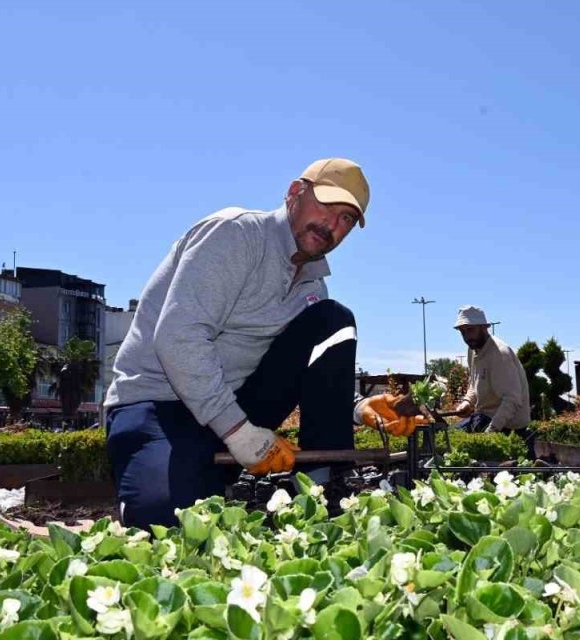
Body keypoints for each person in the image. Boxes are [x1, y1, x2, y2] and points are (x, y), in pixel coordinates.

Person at [104, 158, 416, 528]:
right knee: (170, 523)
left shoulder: (313, 288)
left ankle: (322, 489)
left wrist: (359, 407)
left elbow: (299, 367)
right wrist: (239, 432)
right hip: (158, 406)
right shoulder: (235, 235)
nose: (332, 224)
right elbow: (178, 337)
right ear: (294, 193)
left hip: (229, 409)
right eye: (327, 205)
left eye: (347, 218)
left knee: (333, 320)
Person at [447, 306, 533, 457]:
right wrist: (467, 403)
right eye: (462, 332)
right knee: (448, 438)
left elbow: (512, 399)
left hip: (508, 426)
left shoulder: (500, 354)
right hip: (484, 417)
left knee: (465, 450)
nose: (467, 336)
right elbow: (474, 384)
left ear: (484, 327)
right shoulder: (473, 350)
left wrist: (490, 432)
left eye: (470, 330)